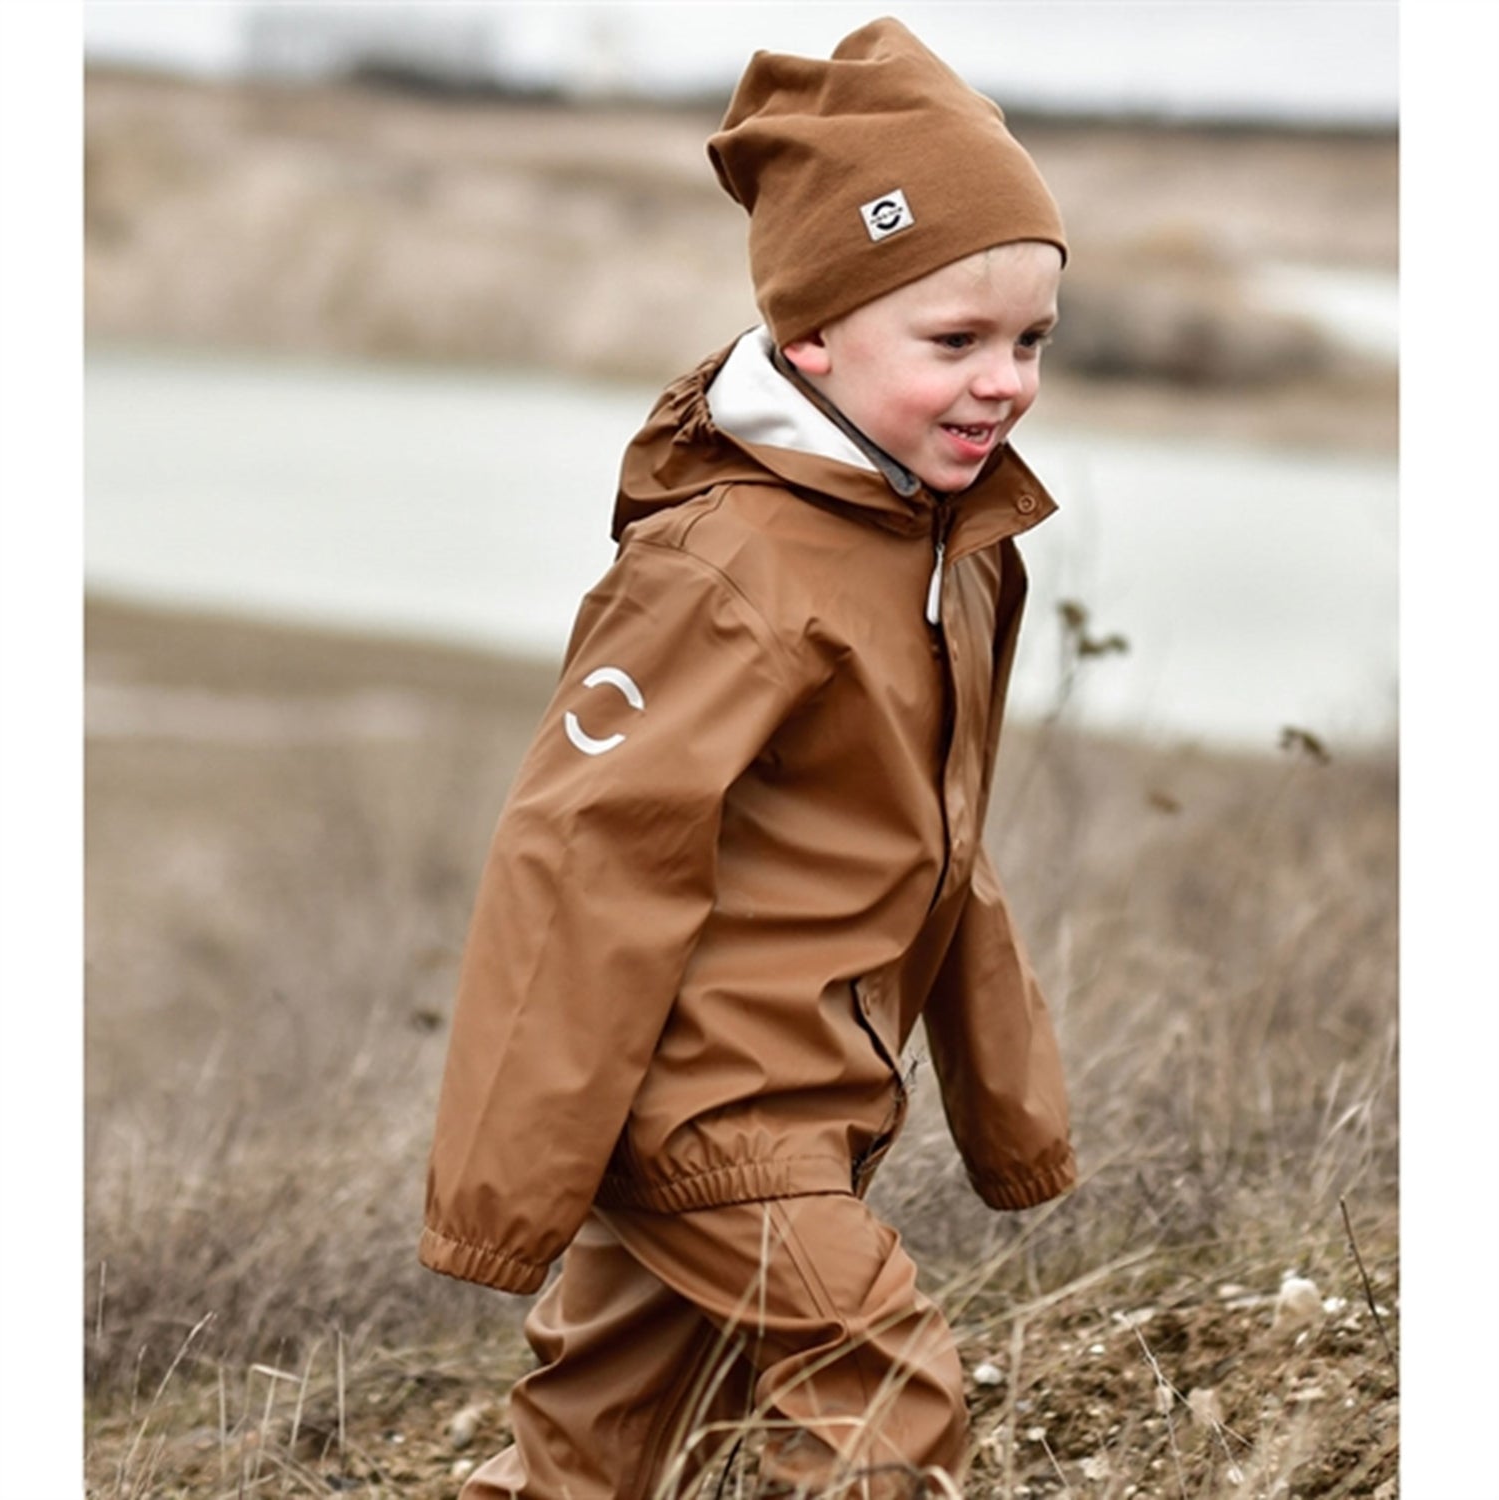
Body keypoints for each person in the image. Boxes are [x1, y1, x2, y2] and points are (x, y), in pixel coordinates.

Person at [419, 17, 1076, 1498]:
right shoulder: (727, 568)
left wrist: (1008, 1106)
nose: (1005, 382)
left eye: (1031, 340)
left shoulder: (950, 546)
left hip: (809, 1095)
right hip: (709, 1108)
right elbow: (579, 852)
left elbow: (944, 848)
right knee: (883, 1393)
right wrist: (502, 1185)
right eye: (956, 342)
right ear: (814, 336)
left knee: (597, 1447)